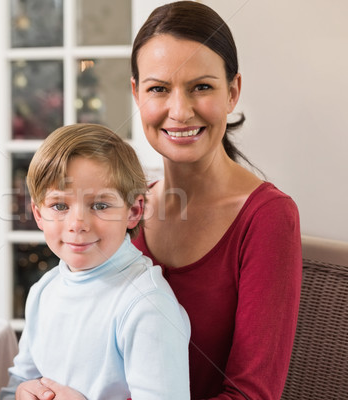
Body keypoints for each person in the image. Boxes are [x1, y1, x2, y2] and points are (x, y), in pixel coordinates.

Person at [21, 2, 302, 400]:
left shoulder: (268, 217)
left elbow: (252, 395)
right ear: (137, 93)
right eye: (159, 89)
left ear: (232, 91)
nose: (180, 110)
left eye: (201, 87)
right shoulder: (122, 209)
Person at [0, 123, 191, 400]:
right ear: (38, 215)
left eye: (100, 205)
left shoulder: (147, 305)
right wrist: (20, 393)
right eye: (60, 206)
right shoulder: (44, 290)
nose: (78, 224)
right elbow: (16, 383)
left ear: (134, 211)